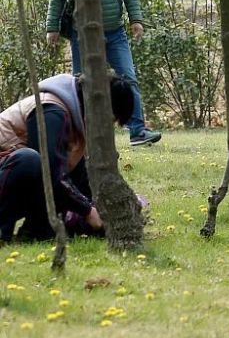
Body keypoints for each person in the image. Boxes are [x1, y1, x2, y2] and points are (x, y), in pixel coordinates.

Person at [45, 0, 161, 146]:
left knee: (128, 77)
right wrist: (52, 27)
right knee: (80, 85)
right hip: (83, 35)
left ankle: (137, 131)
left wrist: (136, 19)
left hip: (114, 31)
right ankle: (84, 137)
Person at [0, 73, 134, 242]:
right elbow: (51, 172)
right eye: (109, 121)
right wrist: (88, 212)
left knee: (65, 178)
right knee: (31, 161)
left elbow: (79, 179)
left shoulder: (74, 123)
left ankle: (37, 232)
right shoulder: (51, 111)